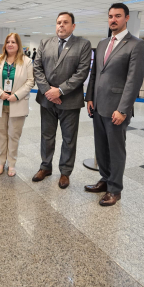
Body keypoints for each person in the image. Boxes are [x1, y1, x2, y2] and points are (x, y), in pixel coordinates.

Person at [85, 3, 144, 206]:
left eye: (118, 16)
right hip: (98, 106)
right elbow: (95, 73)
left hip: (117, 109)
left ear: (127, 18)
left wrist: (123, 110)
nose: (113, 19)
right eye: (110, 16)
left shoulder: (136, 44)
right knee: (101, 148)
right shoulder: (103, 43)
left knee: (116, 150)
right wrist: (89, 98)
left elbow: (133, 81)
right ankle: (105, 179)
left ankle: (115, 189)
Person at [32, 12, 92, 189]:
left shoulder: (83, 44)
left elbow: (82, 72)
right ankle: (45, 166)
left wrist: (59, 91)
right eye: (58, 22)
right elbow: (37, 68)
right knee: (47, 135)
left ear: (73, 26)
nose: (61, 25)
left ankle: (65, 172)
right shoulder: (45, 43)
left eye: (65, 22)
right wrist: (48, 91)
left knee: (68, 139)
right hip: (47, 100)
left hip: (70, 100)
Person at [0, 33, 34, 177]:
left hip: (17, 104)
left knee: (13, 135)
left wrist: (17, 95)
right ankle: (0, 162)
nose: (10, 44)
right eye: (8, 42)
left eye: (13, 42)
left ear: (18, 45)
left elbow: (30, 81)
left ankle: (11, 164)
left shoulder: (27, 62)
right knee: (0, 135)